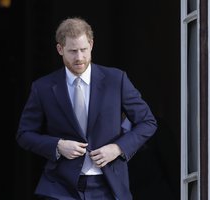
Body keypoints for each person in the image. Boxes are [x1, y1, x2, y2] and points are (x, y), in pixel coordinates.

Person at [16, 17, 158, 200]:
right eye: (73, 51)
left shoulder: (116, 80)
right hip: (60, 186)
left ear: (91, 44)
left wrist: (118, 148)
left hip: (109, 186)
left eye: (83, 49)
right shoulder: (42, 87)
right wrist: (58, 145)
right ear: (60, 49)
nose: (80, 57)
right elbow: (24, 134)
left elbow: (147, 122)